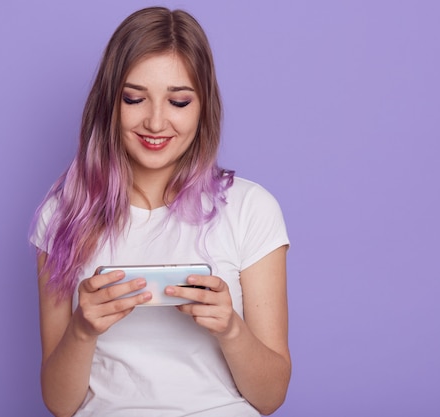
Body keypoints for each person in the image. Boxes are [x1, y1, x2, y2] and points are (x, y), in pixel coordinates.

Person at [30, 6, 291, 417]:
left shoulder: (250, 208)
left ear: (203, 106)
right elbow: (60, 404)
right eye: (134, 98)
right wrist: (82, 330)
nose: (155, 121)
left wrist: (230, 327)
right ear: (109, 105)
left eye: (179, 101)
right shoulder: (63, 216)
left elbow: (271, 397)